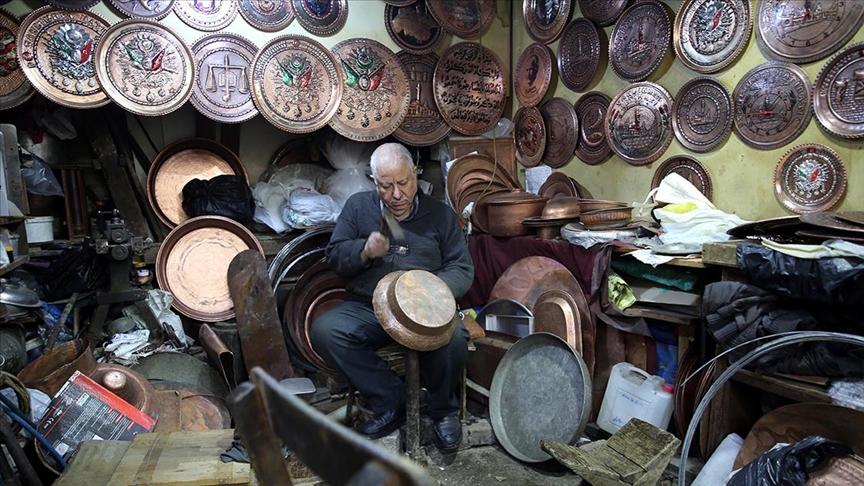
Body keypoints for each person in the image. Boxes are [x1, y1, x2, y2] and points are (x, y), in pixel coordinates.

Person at [310, 142, 474, 452]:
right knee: (326, 330)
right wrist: (364, 251)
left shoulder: (440, 214)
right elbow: (334, 257)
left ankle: (443, 411)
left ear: (416, 173)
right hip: (370, 305)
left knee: (452, 339)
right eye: (386, 186)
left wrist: (431, 292)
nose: (396, 194)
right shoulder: (359, 207)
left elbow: (461, 268)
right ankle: (391, 398)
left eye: (404, 183)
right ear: (374, 181)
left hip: (426, 308)